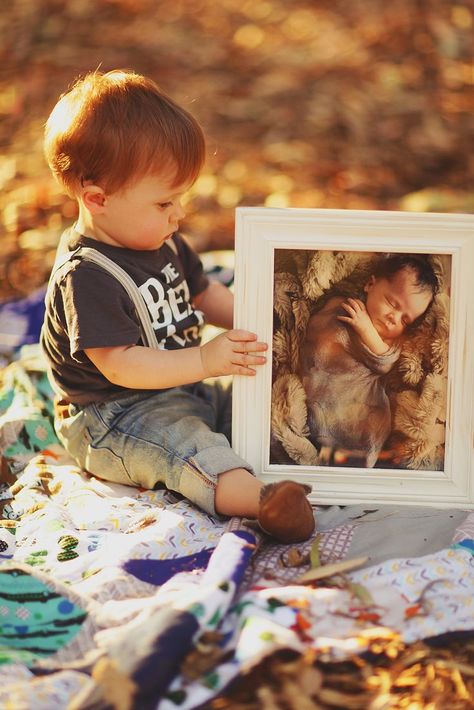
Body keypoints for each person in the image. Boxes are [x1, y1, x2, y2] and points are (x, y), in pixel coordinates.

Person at [40, 69, 315, 544]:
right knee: (185, 447)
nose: (179, 214)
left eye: (179, 200)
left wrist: (264, 318)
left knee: (248, 401)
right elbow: (122, 366)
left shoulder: (160, 239)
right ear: (97, 199)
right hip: (116, 415)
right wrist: (204, 360)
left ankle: (296, 461)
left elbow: (204, 294)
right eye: (165, 202)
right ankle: (263, 502)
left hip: (182, 385)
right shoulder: (87, 276)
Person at [299, 254, 438, 468]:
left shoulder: (384, 342)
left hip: (357, 416)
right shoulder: (340, 304)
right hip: (317, 398)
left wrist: (365, 329)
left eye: (405, 320)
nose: (394, 318)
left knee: (348, 456)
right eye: (392, 303)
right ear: (370, 284)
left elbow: (386, 361)